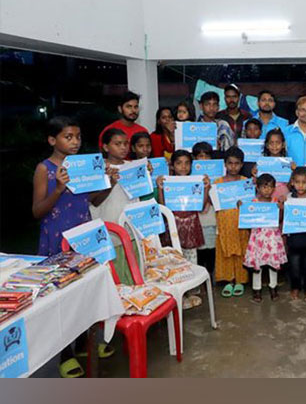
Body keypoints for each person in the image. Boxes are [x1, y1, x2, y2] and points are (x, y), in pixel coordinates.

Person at [32, 117, 118, 378]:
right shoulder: (43, 169)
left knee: (86, 290)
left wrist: (109, 184)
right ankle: (64, 354)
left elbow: (93, 199)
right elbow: (37, 211)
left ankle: (84, 344)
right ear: (52, 140)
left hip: (84, 235)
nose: (75, 142)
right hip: (56, 238)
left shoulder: (83, 166)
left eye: (78, 137)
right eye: (68, 137)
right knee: (62, 297)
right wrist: (58, 188)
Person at [92, 128, 150, 285]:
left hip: (131, 228)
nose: (123, 147)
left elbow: (143, 192)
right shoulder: (99, 169)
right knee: (114, 274)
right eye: (117, 144)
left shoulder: (133, 166)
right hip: (110, 229)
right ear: (105, 147)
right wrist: (111, 182)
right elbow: (94, 201)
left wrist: (146, 175)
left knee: (134, 270)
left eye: (125, 143)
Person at [156, 150, 210, 309]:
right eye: (179, 163)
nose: (183, 166)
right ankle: (178, 292)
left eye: (187, 163)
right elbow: (163, 206)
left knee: (191, 258)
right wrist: (160, 188)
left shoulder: (196, 182)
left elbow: (201, 206)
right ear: (172, 166)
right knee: (174, 259)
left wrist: (206, 188)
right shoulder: (167, 181)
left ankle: (191, 291)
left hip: (191, 223)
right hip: (173, 225)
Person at [243, 173, 286, 303]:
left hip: (272, 237)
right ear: (257, 188)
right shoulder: (253, 203)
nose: (267, 190)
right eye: (264, 187)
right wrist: (242, 209)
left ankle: (273, 287)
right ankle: (257, 289)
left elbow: (279, 220)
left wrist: (281, 209)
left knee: (273, 264)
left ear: (274, 189)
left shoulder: (275, 203)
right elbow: (247, 220)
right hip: (258, 238)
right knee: (257, 265)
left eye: (270, 187)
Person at [213, 147, 249, 297]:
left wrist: (244, 205)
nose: (233, 167)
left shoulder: (246, 182)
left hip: (240, 224)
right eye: (230, 163)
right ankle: (228, 280)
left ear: (241, 165)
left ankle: (240, 280)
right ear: (225, 164)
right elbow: (213, 203)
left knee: (241, 250)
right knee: (224, 251)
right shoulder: (218, 183)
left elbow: (252, 204)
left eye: (237, 163)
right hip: (224, 224)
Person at [283, 166, 306, 302]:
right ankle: (295, 287)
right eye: (297, 182)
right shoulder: (288, 198)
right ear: (292, 182)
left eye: (304, 182)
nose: (300, 185)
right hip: (294, 240)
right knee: (294, 266)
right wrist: (282, 206)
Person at [192, 142, 217, 278]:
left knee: (211, 247)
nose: (203, 159)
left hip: (211, 217)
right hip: (197, 219)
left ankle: (211, 275)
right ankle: (201, 278)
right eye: (200, 156)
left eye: (206, 156)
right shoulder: (190, 175)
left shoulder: (217, 174)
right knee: (200, 250)